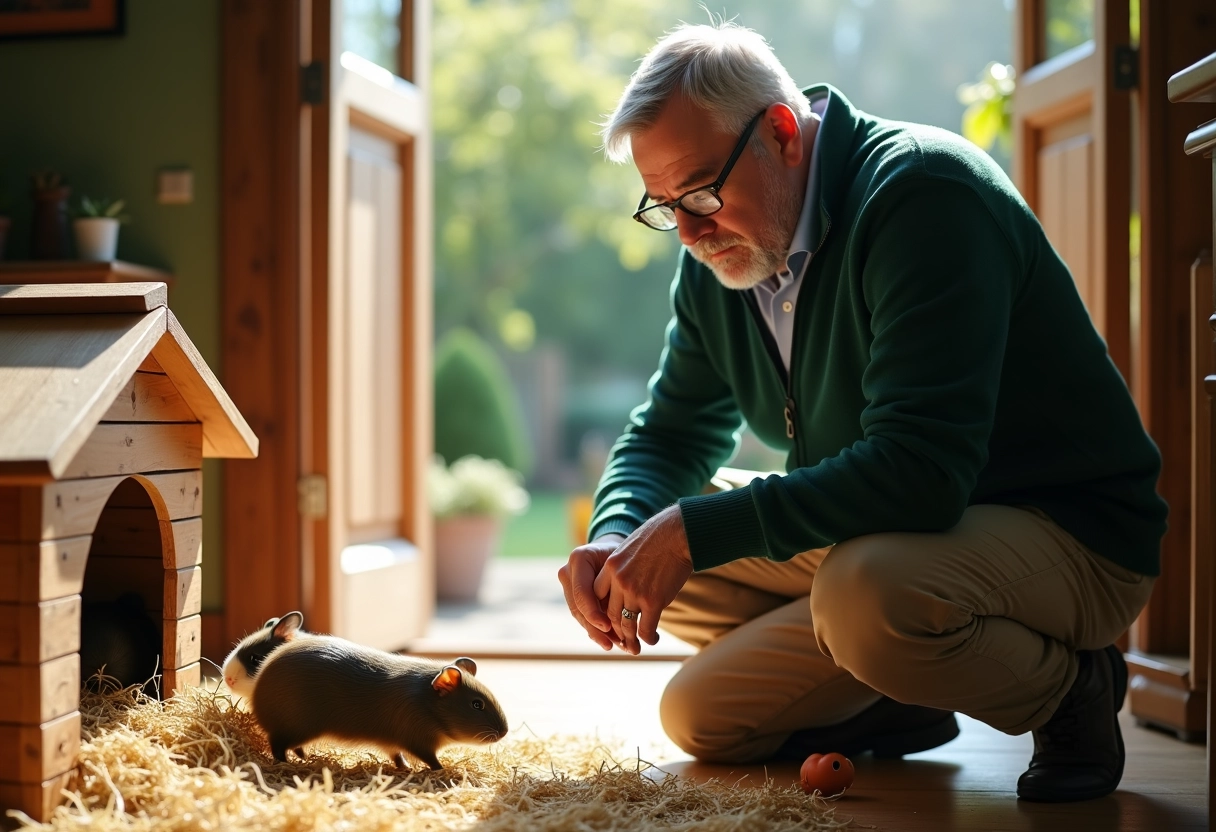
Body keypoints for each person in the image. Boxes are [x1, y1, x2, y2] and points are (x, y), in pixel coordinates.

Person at [556, 20, 1168, 803]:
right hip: (894, 540)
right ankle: (894, 695)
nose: (690, 232)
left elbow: (921, 471)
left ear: (781, 132)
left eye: (702, 192)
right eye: (664, 205)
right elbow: (671, 431)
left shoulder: (924, 195)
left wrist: (692, 532)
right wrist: (614, 538)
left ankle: (1069, 688)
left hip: (1066, 533)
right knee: (698, 710)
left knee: (850, 595)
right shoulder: (721, 256)